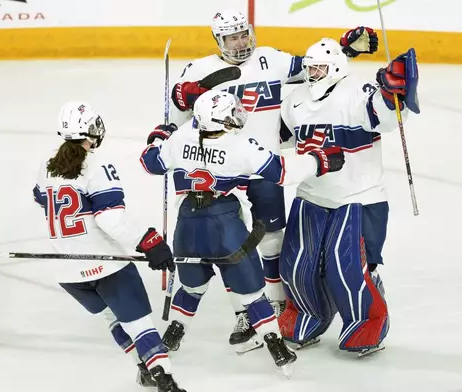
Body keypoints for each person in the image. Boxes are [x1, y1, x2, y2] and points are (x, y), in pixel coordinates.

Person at [168, 8, 378, 352]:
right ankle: (245, 312)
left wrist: (347, 49)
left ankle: (276, 304)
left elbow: (315, 67)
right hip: (220, 169)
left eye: (244, 33)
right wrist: (181, 101)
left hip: (262, 163)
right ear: (218, 40)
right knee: (227, 244)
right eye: (232, 37)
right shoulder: (199, 69)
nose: (241, 41)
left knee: (271, 238)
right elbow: (176, 123)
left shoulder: (272, 60)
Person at [140, 91, 345, 376]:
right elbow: (283, 172)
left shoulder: (182, 136)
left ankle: (171, 335)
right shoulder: (241, 145)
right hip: (225, 226)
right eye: (230, 112)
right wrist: (318, 161)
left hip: (187, 225)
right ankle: (277, 349)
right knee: (252, 294)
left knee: (190, 287)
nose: (237, 115)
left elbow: (150, 163)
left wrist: (159, 136)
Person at [278, 38, 420, 356]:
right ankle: (307, 314)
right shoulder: (296, 99)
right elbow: (278, 136)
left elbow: (384, 117)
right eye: (310, 67)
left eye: (320, 67)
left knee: (348, 269)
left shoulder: (358, 91)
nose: (313, 72)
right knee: (295, 265)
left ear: (337, 67)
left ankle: (365, 321)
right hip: (311, 195)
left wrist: (391, 91)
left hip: (357, 197)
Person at [32, 102, 186, 392]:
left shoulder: (46, 167)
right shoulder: (97, 166)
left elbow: (42, 199)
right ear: (92, 131)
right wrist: (150, 241)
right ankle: (163, 378)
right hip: (106, 264)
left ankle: (143, 369)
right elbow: (110, 220)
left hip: (67, 270)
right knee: (140, 324)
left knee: (113, 318)